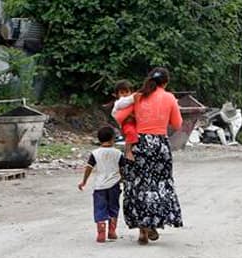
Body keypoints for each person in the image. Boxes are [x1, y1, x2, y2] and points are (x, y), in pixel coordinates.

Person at [114, 67, 183, 245]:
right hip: (159, 145)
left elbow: (118, 115)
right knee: (158, 184)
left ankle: (142, 230)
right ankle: (152, 222)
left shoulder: (138, 96)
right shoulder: (169, 98)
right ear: (166, 82)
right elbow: (177, 124)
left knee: (138, 185)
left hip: (139, 143)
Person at [78, 127, 124, 243]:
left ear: (99, 139)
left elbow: (89, 168)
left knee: (100, 208)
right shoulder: (118, 153)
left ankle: (101, 232)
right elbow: (123, 169)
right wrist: (124, 179)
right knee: (113, 207)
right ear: (113, 139)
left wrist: (84, 181)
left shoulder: (95, 153)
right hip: (114, 185)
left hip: (99, 186)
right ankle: (112, 231)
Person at [110, 80, 137, 161]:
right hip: (126, 124)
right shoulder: (119, 103)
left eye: (127, 92)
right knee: (131, 132)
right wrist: (134, 96)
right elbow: (124, 103)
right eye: (122, 92)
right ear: (117, 95)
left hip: (135, 123)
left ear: (131, 91)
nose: (125, 94)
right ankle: (128, 151)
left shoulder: (133, 102)